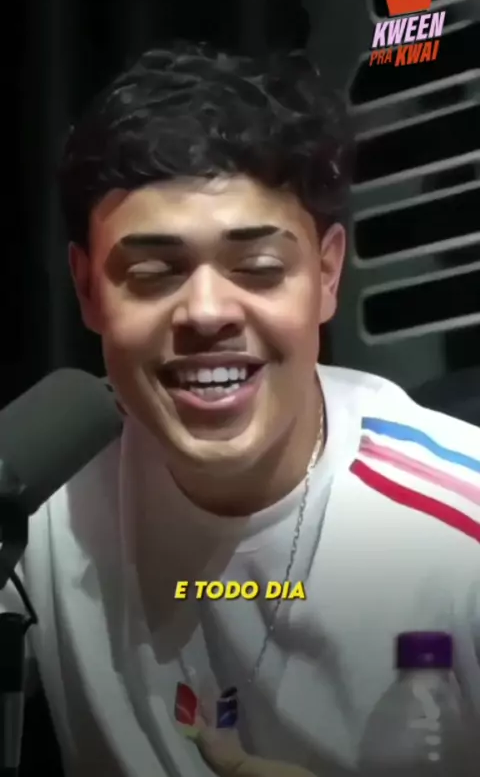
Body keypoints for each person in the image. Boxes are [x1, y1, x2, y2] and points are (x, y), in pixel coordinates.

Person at [7, 43, 480, 777]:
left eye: (257, 268)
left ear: (326, 275)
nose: (206, 312)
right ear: (89, 290)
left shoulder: (459, 528)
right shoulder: (39, 501)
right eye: (152, 273)